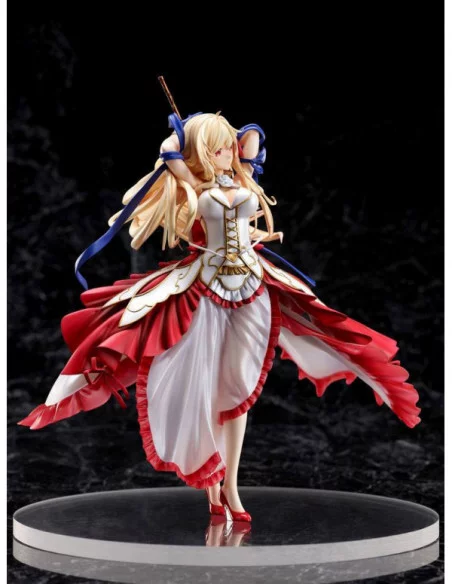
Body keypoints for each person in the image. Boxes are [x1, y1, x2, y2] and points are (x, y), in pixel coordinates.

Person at [18, 112, 421, 523]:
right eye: (217, 148)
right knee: (206, 388)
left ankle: (232, 486)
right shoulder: (195, 187)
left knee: (238, 388)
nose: (226, 153)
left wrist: (261, 229)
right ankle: (213, 485)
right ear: (202, 153)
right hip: (206, 288)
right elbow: (169, 153)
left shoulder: (243, 180)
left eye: (227, 146)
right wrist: (182, 137)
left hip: (253, 288)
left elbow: (253, 145)